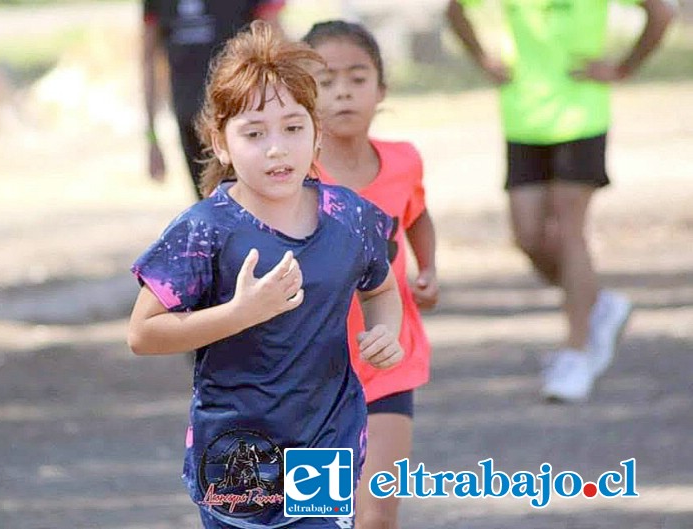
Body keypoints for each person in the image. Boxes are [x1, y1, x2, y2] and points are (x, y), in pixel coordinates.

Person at [128, 21, 404, 529]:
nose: (277, 148)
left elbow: (382, 289)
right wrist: (239, 314)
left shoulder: (349, 216)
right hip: (238, 449)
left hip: (325, 439)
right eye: (255, 133)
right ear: (222, 142)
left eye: (294, 128)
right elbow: (143, 334)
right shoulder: (204, 230)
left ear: (317, 133)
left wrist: (386, 329)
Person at [446, 0, 676, 402]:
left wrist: (623, 69)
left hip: (580, 115)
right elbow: (453, 11)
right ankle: (598, 304)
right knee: (528, 236)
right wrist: (484, 59)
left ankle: (577, 351)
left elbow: (661, 12)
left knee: (570, 230)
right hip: (523, 117)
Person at [303, 21, 438, 529]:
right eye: (325, 79)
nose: (342, 92)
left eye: (357, 78)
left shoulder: (403, 160)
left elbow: (417, 213)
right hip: (311, 375)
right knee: (319, 514)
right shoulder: (294, 175)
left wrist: (429, 269)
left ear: (380, 90)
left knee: (377, 515)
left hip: (389, 362)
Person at [142, 0, 286, 198]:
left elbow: (276, 44)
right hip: (190, 120)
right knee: (210, 209)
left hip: (245, 120)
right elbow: (149, 59)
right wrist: (152, 138)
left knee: (255, 207)